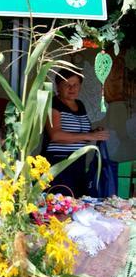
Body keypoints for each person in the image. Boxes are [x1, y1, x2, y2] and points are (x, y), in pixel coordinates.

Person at [42, 68, 109, 197]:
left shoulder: (80, 105)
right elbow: (55, 135)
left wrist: (95, 133)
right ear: (58, 86)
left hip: (78, 163)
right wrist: (89, 135)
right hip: (59, 165)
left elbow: (80, 135)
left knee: (76, 202)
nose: (72, 88)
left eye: (75, 85)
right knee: (60, 204)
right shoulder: (53, 104)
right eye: (67, 84)